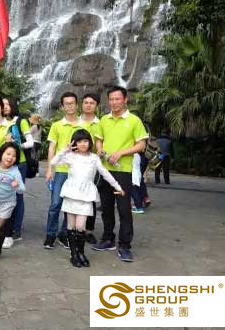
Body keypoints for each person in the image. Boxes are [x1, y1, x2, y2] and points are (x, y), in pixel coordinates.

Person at [50, 129, 124, 268]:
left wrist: (118, 187)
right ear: (74, 143)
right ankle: (74, 254)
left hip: (86, 195)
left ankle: (81, 252)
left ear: (90, 142)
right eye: (79, 141)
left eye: (85, 141)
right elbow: (53, 162)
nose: (82, 144)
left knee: (80, 226)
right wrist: (65, 150)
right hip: (71, 193)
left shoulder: (94, 158)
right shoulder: (70, 156)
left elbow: (105, 173)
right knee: (71, 226)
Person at [93, 86, 148, 262]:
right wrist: (100, 150)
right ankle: (108, 239)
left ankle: (124, 245)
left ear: (125, 100)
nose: (114, 102)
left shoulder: (134, 120)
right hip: (105, 170)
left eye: (117, 99)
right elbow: (98, 140)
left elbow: (141, 145)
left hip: (123, 171)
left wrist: (121, 153)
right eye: (111, 99)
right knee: (106, 207)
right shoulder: (104, 120)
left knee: (124, 209)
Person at [44, 92, 83, 250]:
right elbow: (51, 148)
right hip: (60, 170)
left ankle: (64, 234)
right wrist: (49, 169)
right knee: (55, 204)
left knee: (71, 204)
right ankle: (50, 235)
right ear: (62, 107)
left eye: (72, 103)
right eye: (67, 103)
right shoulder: (56, 125)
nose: (70, 106)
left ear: (77, 105)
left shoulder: (83, 125)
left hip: (77, 172)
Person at [6, 101, 34, 246]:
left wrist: (16, 145)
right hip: (4, 163)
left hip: (19, 163)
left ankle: (16, 229)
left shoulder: (20, 121)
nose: (4, 107)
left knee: (18, 195)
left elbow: (30, 142)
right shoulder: (1, 121)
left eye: (7, 104)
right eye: (2, 104)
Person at [80, 93, 102, 244]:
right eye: (86, 102)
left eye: (92, 103)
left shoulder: (100, 123)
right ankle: (74, 228)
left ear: (96, 106)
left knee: (90, 197)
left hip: (92, 167)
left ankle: (88, 230)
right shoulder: (76, 122)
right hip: (75, 165)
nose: (88, 105)